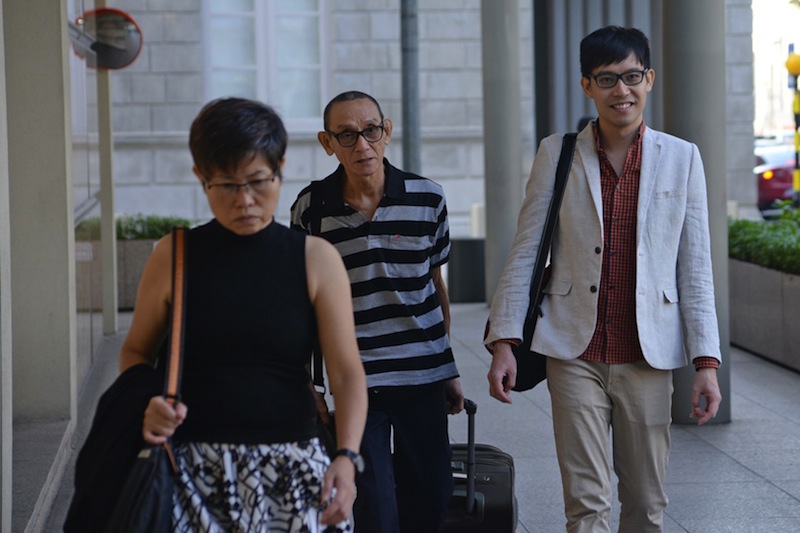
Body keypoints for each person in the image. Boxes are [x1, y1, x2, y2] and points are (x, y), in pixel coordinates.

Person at [484, 26, 723, 532]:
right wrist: (504, 339)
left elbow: (694, 268)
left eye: (632, 76)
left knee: (645, 504)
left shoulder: (681, 158)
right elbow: (527, 248)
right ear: (586, 85)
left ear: (649, 79)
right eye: (608, 79)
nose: (622, 90)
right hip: (574, 350)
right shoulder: (558, 152)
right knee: (586, 503)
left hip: (646, 355)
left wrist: (706, 362)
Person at [121, 97, 368, 532]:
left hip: (292, 468)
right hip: (192, 471)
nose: (246, 200)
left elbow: (347, 374)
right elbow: (136, 352)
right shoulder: (174, 256)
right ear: (201, 178)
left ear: (281, 167)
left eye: (259, 181)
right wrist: (147, 402)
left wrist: (346, 459)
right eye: (227, 186)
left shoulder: (314, 259)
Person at [290, 90, 464, 533]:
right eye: (346, 136)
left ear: (387, 132)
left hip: (422, 376)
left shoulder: (428, 199)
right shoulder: (311, 210)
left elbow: (434, 287)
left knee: (430, 497)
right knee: (372, 506)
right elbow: (301, 304)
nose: (362, 145)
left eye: (370, 130)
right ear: (327, 143)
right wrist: (305, 381)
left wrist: (448, 369)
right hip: (356, 381)